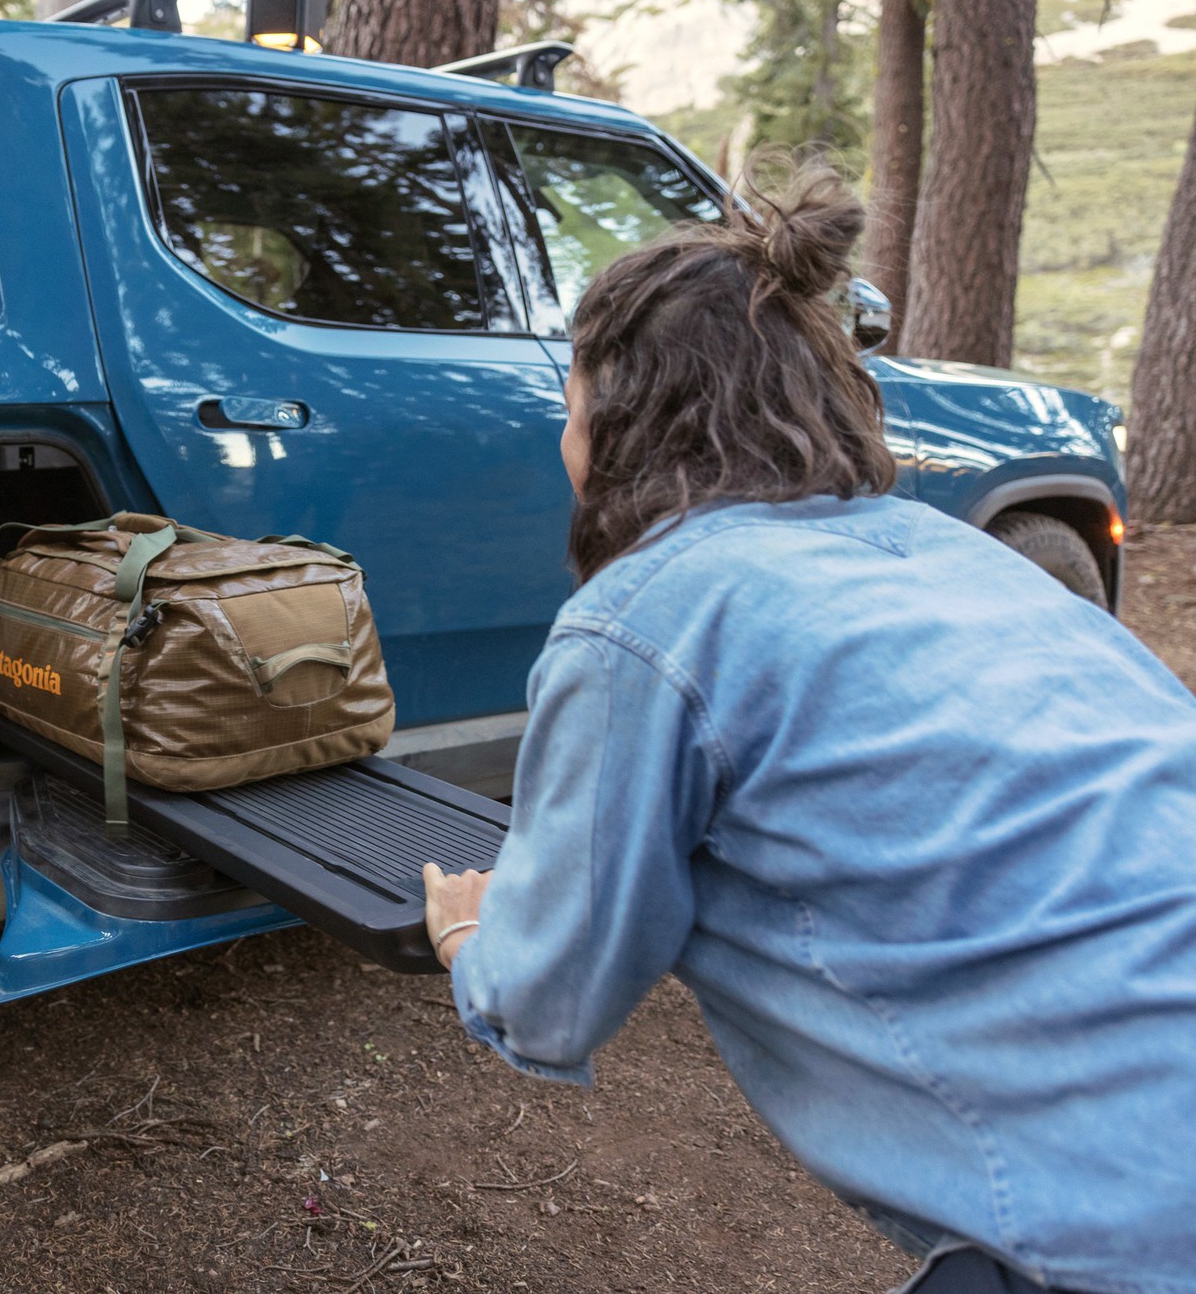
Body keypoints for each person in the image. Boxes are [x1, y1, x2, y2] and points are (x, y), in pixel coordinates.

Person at [422, 165, 1196, 1294]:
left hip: (1119, 1216)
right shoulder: (966, 559)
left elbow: (548, 994)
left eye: (570, 407)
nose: (564, 437)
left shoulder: (646, 622)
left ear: (618, 422)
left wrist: (469, 938)